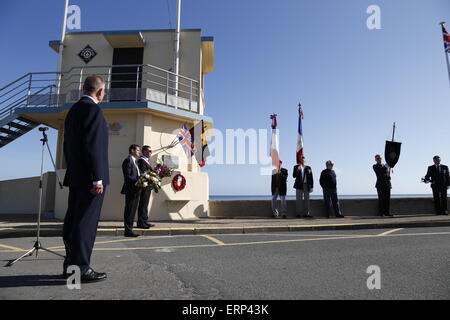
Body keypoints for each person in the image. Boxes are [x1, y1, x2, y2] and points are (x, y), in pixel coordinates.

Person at [62, 75, 109, 283]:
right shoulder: (93, 110)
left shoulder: (73, 111)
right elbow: (93, 147)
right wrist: (97, 179)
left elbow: (69, 147)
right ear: (99, 92)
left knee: (73, 221)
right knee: (85, 224)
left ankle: (70, 267)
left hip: (76, 176)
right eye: (104, 91)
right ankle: (80, 269)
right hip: (90, 180)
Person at [121, 144, 142, 237]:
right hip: (131, 189)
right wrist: (137, 181)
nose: (139, 152)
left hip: (136, 190)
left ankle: (130, 230)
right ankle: (128, 230)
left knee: (133, 210)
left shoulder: (135, 162)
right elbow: (128, 177)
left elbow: (137, 175)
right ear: (132, 150)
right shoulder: (128, 161)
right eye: (138, 150)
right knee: (129, 210)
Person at [137, 145, 155, 228]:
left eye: (151, 151)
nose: (150, 153)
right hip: (144, 186)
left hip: (148, 186)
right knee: (143, 204)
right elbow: (144, 173)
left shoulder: (146, 160)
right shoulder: (141, 160)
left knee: (145, 204)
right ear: (144, 151)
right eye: (149, 151)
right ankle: (141, 223)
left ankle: (145, 221)